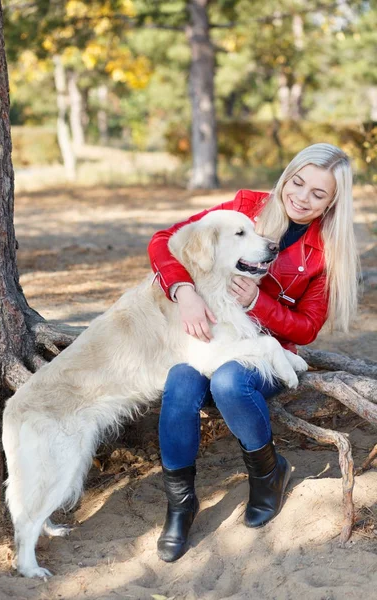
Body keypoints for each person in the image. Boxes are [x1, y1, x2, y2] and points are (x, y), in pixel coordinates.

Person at [147, 143, 359, 563]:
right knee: (180, 380)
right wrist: (183, 290)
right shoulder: (245, 206)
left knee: (228, 379)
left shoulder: (327, 251)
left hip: (269, 356)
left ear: (334, 202)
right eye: (297, 183)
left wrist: (257, 304)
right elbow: (165, 239)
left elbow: (307, 328)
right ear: (287, 176)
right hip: (214, 337)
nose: (301, 197)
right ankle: (180, 504)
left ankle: (267, 474)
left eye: (318, 194)